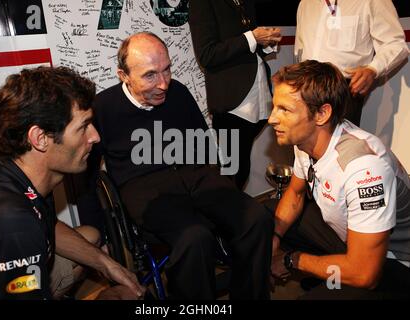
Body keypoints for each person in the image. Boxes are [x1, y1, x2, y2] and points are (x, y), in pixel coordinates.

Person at [84, 32, 273, 299]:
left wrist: (219, 187)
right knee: (194, 237)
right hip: (143, 186)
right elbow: (87, 176)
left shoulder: (179, 92)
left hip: (194, 174)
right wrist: (98, 237)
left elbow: (203, 147)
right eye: (150, 75)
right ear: (123, 75)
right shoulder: (102, 108)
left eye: (167, 70)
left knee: (257, 218)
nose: (163, 84)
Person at [0, 66, 144, 300]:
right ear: (40, 139)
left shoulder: (15, 164)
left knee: (90, 236)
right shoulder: (13, 225)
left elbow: (43, 220)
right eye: (83, 127)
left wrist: (107, 264)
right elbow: (24, 226)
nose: (95, 137)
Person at [268, 60, 410, 299]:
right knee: (265, 216)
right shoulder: (306, 141)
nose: (272, 118)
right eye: (274, 107)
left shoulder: (364, 167)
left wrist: (292, 260)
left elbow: (365, 273)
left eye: (285, 110)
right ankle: (329, 273)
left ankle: (330, 277)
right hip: (352, 240)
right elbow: (295, 194)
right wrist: (274, 238)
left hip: (389, 263)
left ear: (322, 114)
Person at [189, 0, 282, 189]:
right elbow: (207, 55)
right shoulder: (202, 4)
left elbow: (248, 47)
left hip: (259, 95)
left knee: (241, 166)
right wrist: (252, 37)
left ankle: (237, 212)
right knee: (233, 172)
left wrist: (265, 42)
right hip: (233, 102)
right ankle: (231, 214)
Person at [295, 0, 409, 126]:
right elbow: (299, 49)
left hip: (343, 89)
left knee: (341, 143)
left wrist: (373, 70)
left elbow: (395, 44)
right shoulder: (306, 3)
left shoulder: (373, 1)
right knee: (302, 142)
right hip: (304, 87)